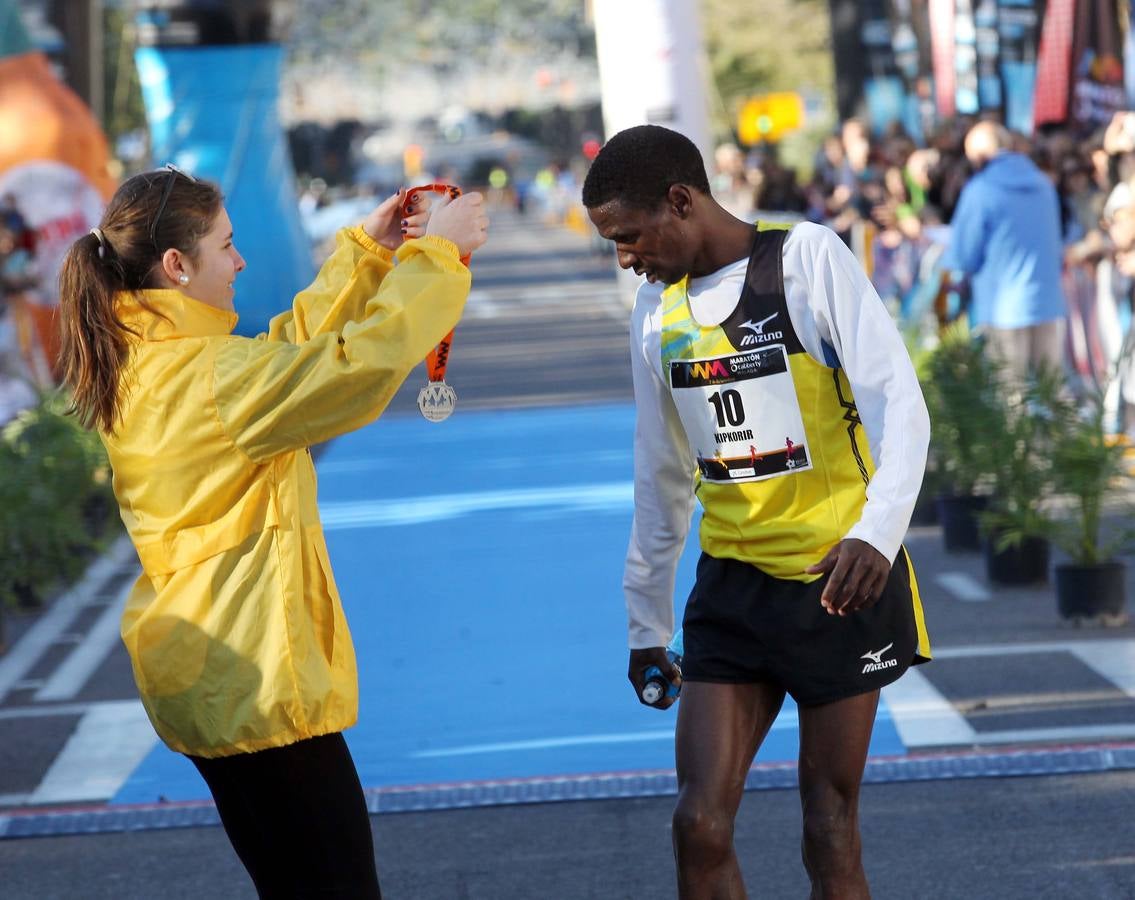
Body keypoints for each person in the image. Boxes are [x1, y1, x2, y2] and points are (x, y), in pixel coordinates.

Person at [57, 165, 488, 898]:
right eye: (226, 245)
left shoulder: (158, 362)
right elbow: (353, 369)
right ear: (176, 266)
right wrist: (433, 256)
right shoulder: (205, 376)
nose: (241, 260)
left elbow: (282, 363)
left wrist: (366, 255)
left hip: (217, 677)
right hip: (255, 681)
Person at [582, 125, 931, 900]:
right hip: (733, 591)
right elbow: (659, 471)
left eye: (630, 237)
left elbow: (898, 405)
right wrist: (645, 622)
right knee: (697, 825)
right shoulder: (652, 314)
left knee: (827, 829)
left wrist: (875, 537)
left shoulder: (805, 261)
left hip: (837, 585)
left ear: (681, 201)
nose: (625, 258)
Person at [944, 121, 1067, 379]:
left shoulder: (980, 190)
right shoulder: (1044, 185)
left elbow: (964, 256)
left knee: (1009, 402)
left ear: (977, 156)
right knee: (1051, 396)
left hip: (1002, 308)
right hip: (1048, 301)